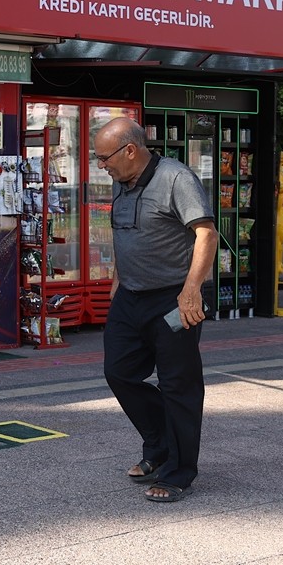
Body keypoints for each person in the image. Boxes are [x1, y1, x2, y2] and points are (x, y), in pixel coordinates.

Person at [92, 118, 218, 503]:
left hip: (173, 298)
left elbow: (206, 233)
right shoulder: (121, 181)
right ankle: (161, 444)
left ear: (130, 150)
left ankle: (179, 471)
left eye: (104, 158)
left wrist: (191, 290)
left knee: (178, 384)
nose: (102, 166)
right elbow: (124, 234)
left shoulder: (176, 178)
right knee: (119, 371)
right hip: (131, 296)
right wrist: (117, 282)